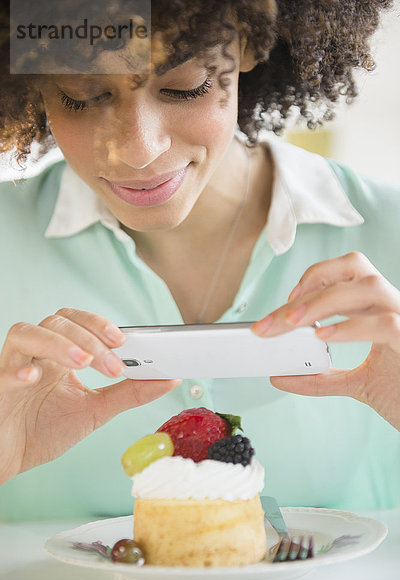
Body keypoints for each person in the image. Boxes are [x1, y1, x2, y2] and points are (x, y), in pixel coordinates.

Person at [0, 0, 399, 522]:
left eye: (185, 87)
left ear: (253, 43)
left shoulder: (387, 234)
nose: (137, 150)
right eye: (84, 96)